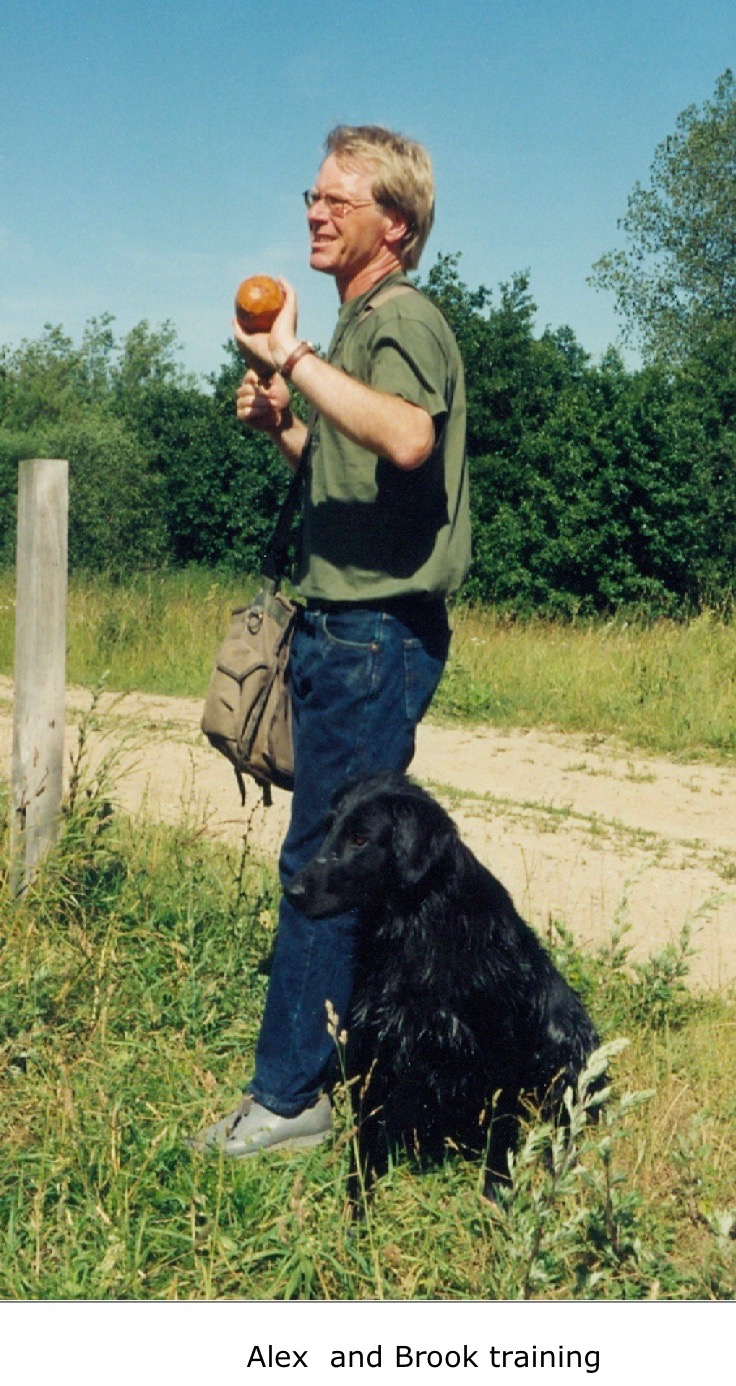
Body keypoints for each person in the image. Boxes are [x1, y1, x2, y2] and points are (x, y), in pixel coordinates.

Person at [194, 125, 471, 1156]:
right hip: (348, 632)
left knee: (322, 862)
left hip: (372, 637)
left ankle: (288, 1104)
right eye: (310, 196)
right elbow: (355, 469)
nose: (313, 211)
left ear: (391, 224)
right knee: (348, 860)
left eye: (336, 200)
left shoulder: (398, 319)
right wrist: (281, 421)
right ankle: (369, 1060)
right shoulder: (362, 329)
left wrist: (295, 357)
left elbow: (406, 436)